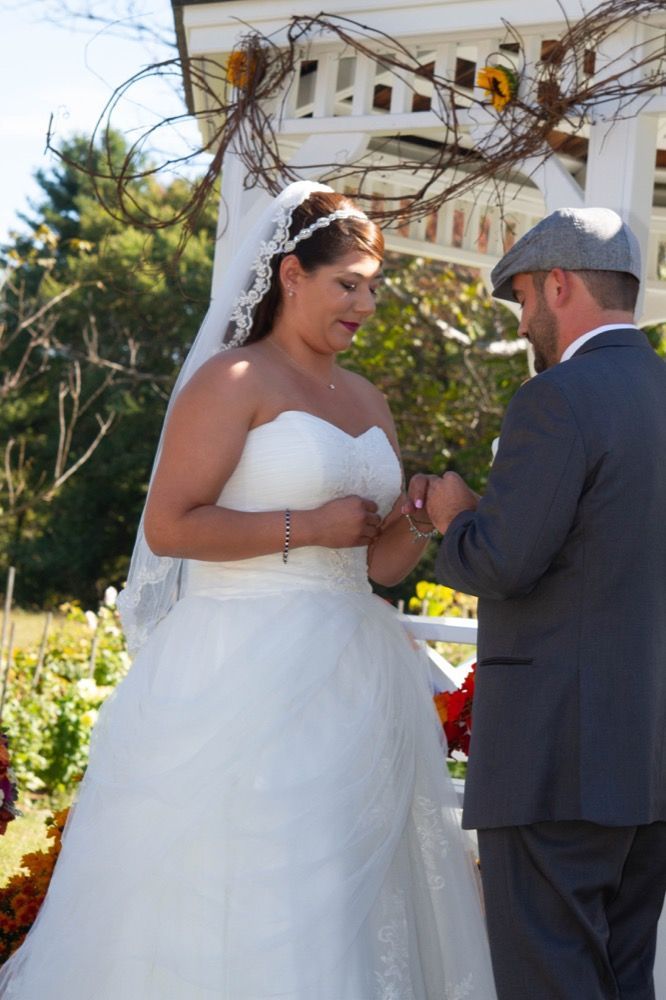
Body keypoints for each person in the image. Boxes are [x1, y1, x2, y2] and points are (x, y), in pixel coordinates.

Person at [0, 182, 497, 999]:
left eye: (374, 287)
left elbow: (374, 567)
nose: (366, 304)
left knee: (352, 888)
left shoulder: (367, 398)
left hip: (358, 683)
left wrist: (419, 519)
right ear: (292, 275)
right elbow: (170, 527)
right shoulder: (232, 379)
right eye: (350, 284)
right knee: (256, 879)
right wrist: (305, 524)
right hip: (244, 672)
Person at [409, 207, 666, 1000]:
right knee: (624, 978)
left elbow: (501, 560)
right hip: (649, 761)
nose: (524, 323)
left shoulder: (556, 399)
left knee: (549, 980)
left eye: (523, 298)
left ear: (559, 284)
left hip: (556, 758)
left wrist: (455, 515)